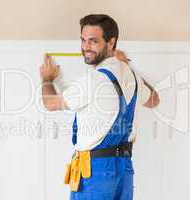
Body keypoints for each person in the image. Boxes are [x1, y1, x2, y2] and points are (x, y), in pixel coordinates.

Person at [40, 14, 160, 200]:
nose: (86, 47)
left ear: (111, 42)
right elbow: (154, 100)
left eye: (93, 41)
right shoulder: (132, 76)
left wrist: (47, 78)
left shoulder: (94, 79)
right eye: (83, 40)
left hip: (95, 171)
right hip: (125, 170)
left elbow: (50, 103)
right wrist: (127, 66)